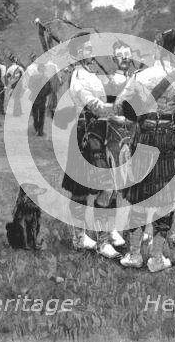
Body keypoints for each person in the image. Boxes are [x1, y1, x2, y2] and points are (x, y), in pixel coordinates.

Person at [114, 30, 175, 272]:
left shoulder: (140, 75)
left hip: (143, 139)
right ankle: (156, 258)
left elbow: (119, 105)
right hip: (166, 141)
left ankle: (133, 255)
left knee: (138, 197)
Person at [60, 32, 123, 260]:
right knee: (95, 187)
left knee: (93, 188)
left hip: (98, 132)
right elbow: (94, 105)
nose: (90, 51)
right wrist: (119, 110)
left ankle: (87, 237)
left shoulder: (89, 72)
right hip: (87, 134)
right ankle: (97, 241)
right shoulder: (77, 76)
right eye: (86, 48)